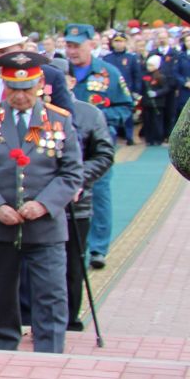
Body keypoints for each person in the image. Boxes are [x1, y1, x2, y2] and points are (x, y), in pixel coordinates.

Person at [0, 52, 83, 353]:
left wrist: (44, 204)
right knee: (1, 296)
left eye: (27, 88)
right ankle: (5, 350)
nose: (19, 96)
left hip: (45, 228)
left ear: (40, 83)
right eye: (13, 89)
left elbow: (72, 173)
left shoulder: (58, 120)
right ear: (3, 84)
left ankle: (50, 353)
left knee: (51, 297)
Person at [63, 23, 130, 270]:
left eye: (77, 46)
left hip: (96, 146)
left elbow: (126, 106)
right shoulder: (58, 71)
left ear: (92, 45)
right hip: (61, 147)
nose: (72, 51)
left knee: (98, 195)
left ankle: (98, 248)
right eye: (68, 45)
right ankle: (71, 244)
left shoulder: (108, 73)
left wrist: (101, 120)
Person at [57, 72, 115, 332]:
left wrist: (76, 181)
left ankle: (70, 318)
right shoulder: (34, 114)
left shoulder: (89, 113)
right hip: (38, 202)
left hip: (76, 204)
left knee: (72, 265)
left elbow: (103, 155)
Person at [103, 32, 145, 142]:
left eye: (121, 41)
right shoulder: (107, 58)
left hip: (127, 91)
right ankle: (113, 137)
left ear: (125, 43)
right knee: (113, 114)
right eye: (116, 41)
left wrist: (137, 91)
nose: (118, 44)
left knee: (128, 115)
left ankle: (129, 136)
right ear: (112, 43)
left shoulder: (131, 58)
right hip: (111, 92)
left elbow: (137, 75)